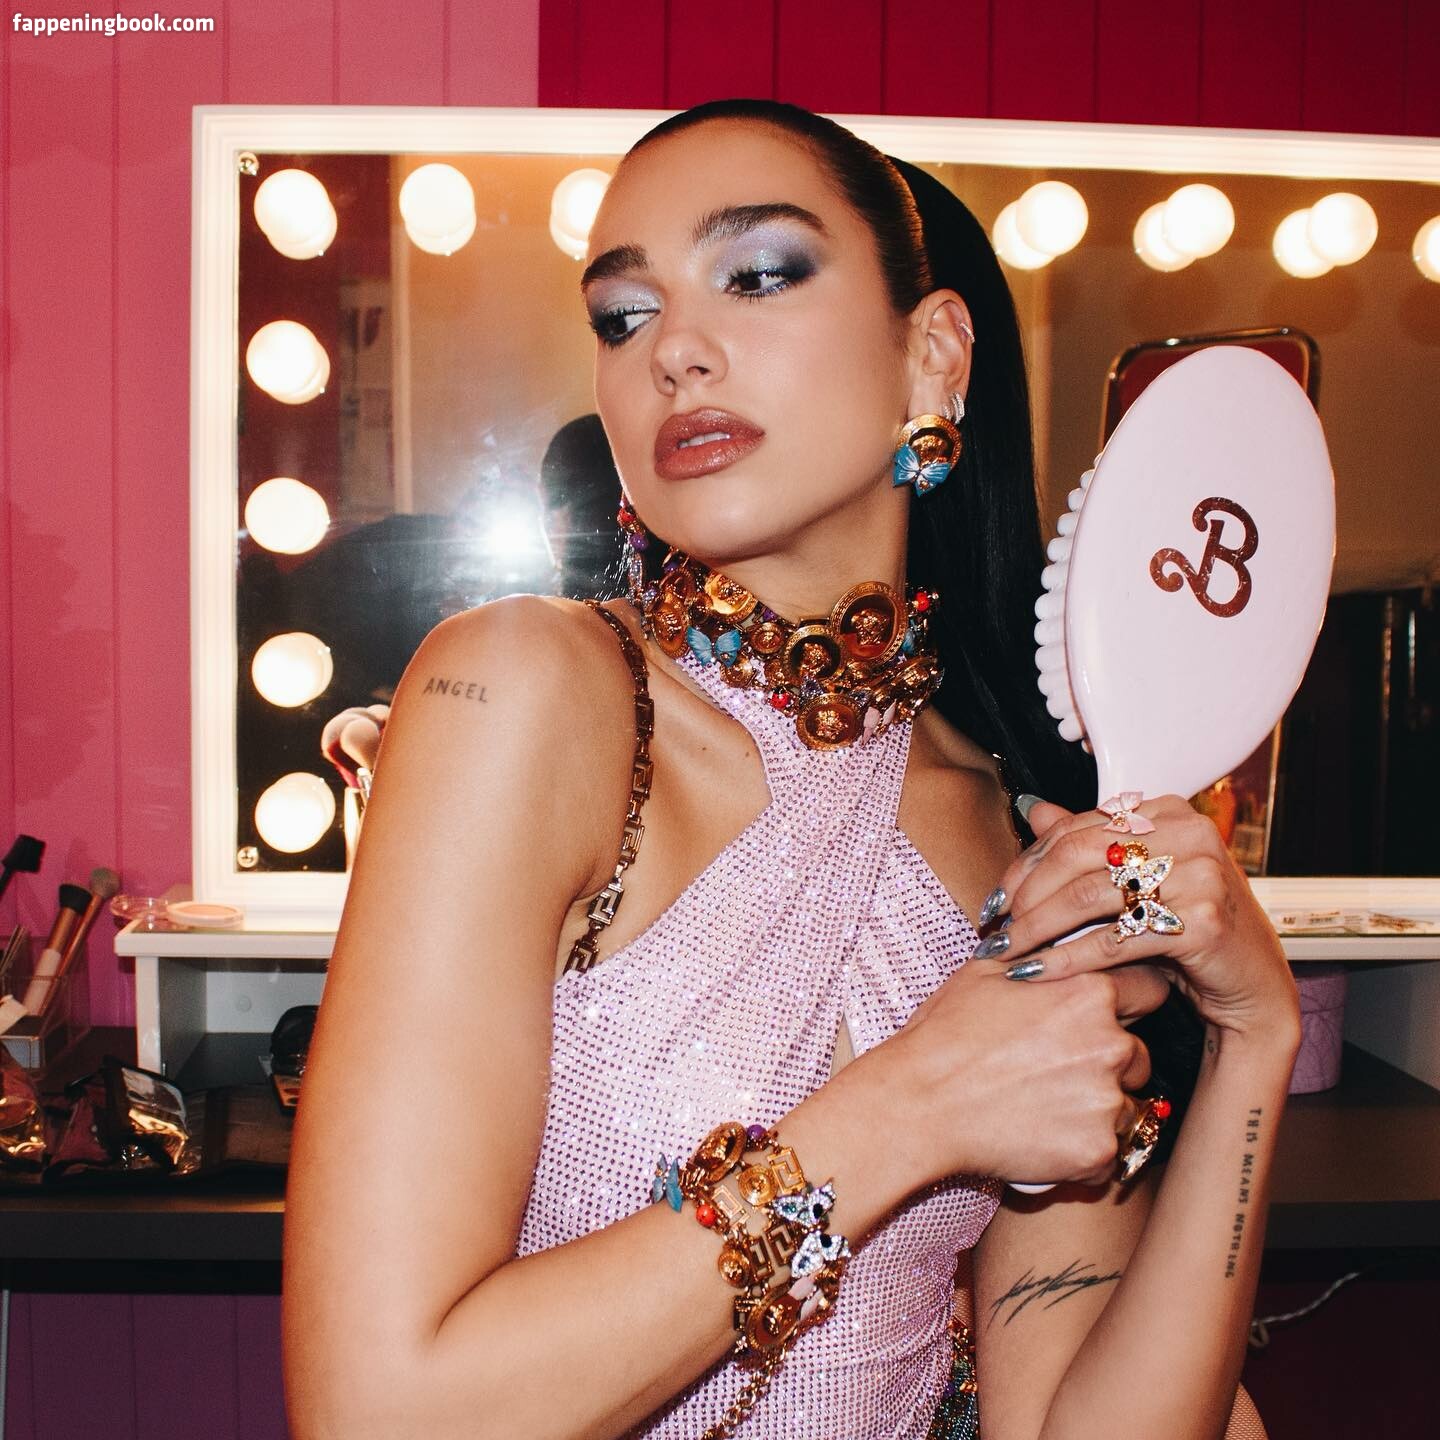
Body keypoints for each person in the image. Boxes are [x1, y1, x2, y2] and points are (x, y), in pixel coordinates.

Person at [282, 98, 1300, 1440]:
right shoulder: (526, 694)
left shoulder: (1020, 837)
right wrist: (911, 1109)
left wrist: (1254, 1043)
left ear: (933, 357)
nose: (674, 351)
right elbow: (379, 1414)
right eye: (623, 316)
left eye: (758, 274)